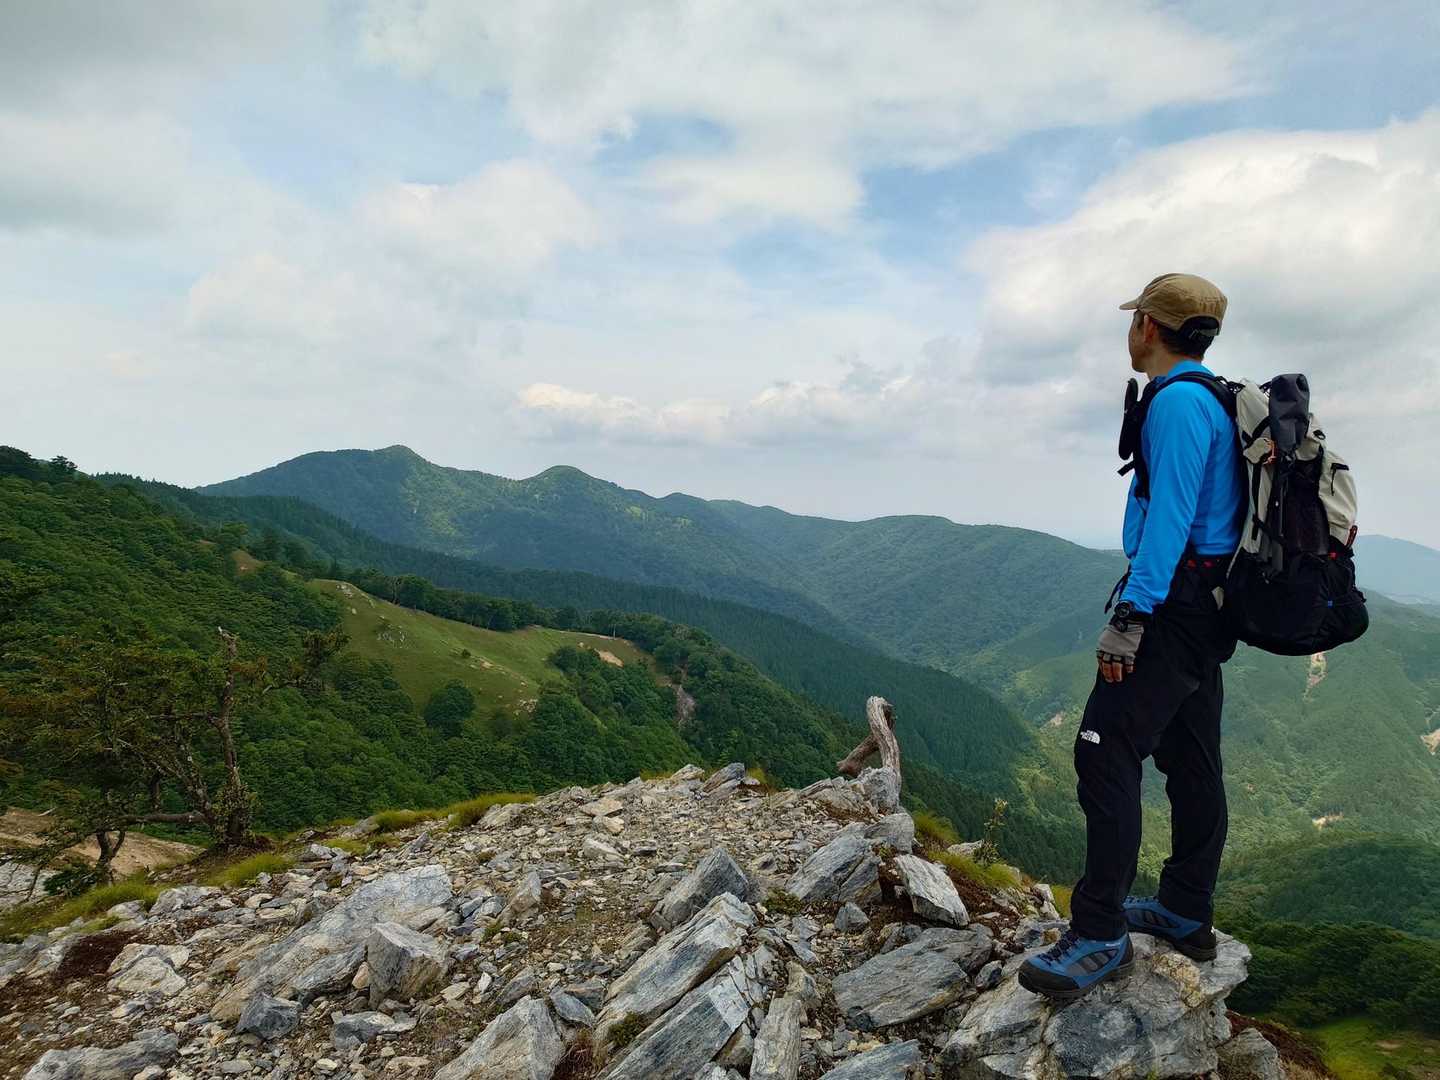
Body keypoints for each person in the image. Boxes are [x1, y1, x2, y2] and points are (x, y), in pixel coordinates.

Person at [1019, 273, 1245, 1002]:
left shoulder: (1176, 402)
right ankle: (1185, 910)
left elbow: (1170, 518)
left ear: (1148, 325)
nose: (1131, 329)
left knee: (1103, 750)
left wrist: (1130, 618)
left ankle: (1099, 933)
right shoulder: (1213, 397)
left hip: (1171, 606)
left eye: (1135, 318)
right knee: (1191, 758)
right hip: (1206, 608)